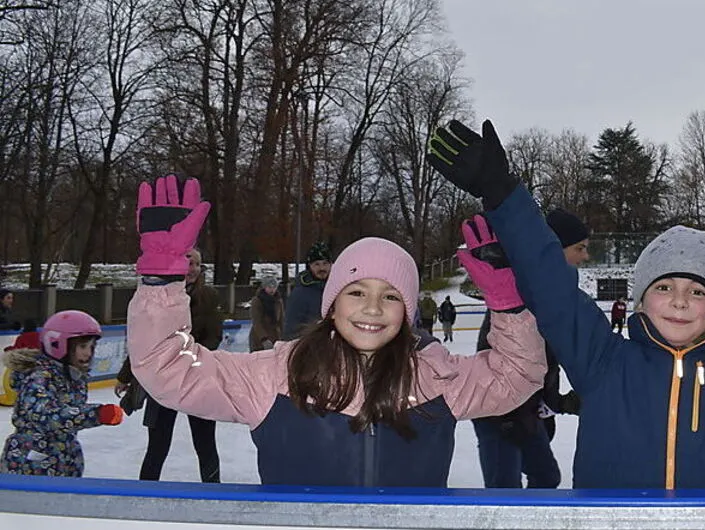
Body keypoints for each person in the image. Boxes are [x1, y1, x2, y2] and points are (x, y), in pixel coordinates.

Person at [429, 119, 705, 489]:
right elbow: (550, 282)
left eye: (698, 291)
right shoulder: (602, 360)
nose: (681, 300)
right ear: (641, 301)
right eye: (665, 287)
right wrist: (503, 195)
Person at [126, 174, 546, 487]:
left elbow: (518, 375)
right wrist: (161, 280)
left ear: (408, 312)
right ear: (331, 304)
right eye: (356, 291)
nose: (372, 309)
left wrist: (508, 306)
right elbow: (167, 368)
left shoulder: (438, 377)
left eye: (391, 297)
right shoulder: (274, 376)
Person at [470, 207, 589, 489]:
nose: (585, 256)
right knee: (504, 493)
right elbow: (495, 361)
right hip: (498, 414)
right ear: (555, 250)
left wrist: (559, 402)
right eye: (580, 248)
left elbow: (543, 366)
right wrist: (507, 418)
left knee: (547, 477)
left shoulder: (555, 298)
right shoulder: (518, 295)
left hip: (526, 414)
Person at [120, 247, 224, 483]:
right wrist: (126, 375)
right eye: (189, 262)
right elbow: (144, 340)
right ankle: (145, 491)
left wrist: (189, 360)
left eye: (198, 264)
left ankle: (213, 492)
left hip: (196, 379)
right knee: (157, 445)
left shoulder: (208, 297)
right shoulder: (157, 296)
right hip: (163, 379)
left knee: (205, 444)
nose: (193, 269)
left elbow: (213, 337)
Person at [2, 310, 123, 475]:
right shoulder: (39, 377)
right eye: (82, 346)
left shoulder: (73, 376)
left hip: (63, 455)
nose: (88, 353)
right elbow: (45, 415)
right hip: (31, 460)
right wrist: (96, 413)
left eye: (92, 347)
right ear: (57, 344)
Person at [282, 241, 332, 340]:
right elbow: (291, 330)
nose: (322, 268)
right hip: (311, 347)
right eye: (317, 264)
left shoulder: (338, 288)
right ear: (309, 266)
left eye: (325, 263)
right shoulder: (300, 293)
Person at [249, 276, 283, 352]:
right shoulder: (257, 300)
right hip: (259, 339)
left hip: (275, 337)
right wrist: (264, 338)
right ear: (264, 287)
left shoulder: (278, 300)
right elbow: (256, 322)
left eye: (274, 287)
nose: (272, 289)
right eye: (269, 287)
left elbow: (281, 320)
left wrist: (284, 336)